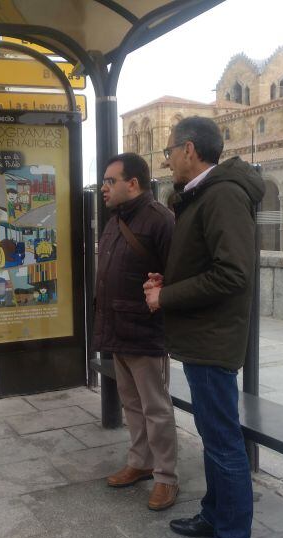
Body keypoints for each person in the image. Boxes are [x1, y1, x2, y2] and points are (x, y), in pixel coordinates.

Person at [144, 116, 264, 538]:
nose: (168, 159)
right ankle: (215, 515)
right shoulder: (203, 195)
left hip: (214, 341)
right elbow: (207, 264)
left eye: (170, 151)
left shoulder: (223, 196)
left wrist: (166, 296)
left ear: (189, 150)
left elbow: (233, 274)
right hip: (201, 337)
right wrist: (167, 282)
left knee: (222, 442)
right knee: (215, 438)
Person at [92, 152, 179, 512]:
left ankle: (166, 478)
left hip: (146, 332)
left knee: (156, 408)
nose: (103, 187)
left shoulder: (161, 220)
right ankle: (140, 462)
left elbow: (178, 274)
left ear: (134, 183)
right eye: (104, 181)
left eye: (111, 181)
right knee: (132, 404)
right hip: (118, 329)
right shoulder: (115, 220)